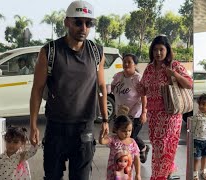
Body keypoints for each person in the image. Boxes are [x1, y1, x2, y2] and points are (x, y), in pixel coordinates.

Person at [29, 1, 109, 179]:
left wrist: (105, 119)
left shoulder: (96, 52)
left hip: (84, 129)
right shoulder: (49, 52)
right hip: (56, 128)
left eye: (88, 23)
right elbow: (37, 89)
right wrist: (33, 124)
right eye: (78, 22)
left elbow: (102, 87)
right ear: (67, 22)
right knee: (52, 176)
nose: (84, 28)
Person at [138, 35, 193, 179]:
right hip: (153, 115)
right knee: (157, 146)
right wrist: (137, 87)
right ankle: (167, 171)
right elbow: (143, 89)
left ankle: (157, 176)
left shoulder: (174, 65)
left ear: (167, 50)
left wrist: (174, 75)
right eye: (155, 49)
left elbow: (189, 83)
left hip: (170, 114)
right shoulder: (149, 69)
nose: (158, 53)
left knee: (163, 146)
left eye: (161, 49)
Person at [111, 53, 149, 163]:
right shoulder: (118, 76)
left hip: (135, 114)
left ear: (135, 64)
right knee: (124, 135)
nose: (126, 64)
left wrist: (144, 113)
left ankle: (128, 158)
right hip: (121, 113)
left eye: (129, 62)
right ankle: (142, 148)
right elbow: (111, 89)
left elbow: (144, 97)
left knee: (129, 137)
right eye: (124, 62)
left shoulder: (138, 78)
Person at [99, 115, 141, 180]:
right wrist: (102, 133)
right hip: (113, 174)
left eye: (129, 131)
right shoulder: (113, 139)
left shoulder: (132, 142)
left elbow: (136, 158)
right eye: (124, 131)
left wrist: (138, 174)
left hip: (127, 175)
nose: (127, 133)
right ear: (116, 129)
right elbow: (102, 141)